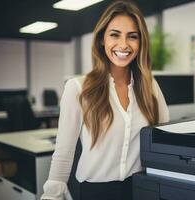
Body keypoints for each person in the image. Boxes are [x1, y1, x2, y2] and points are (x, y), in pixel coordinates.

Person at [41, 1, 169, 200]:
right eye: (114, 34)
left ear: (141, 42)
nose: (124, 44)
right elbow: (64, 152)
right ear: (102, 39)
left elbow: (164, 141)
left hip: (140, 190)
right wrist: (52, 196)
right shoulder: (78, 88)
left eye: (132, 37)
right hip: (95, 192)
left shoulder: (150, 86)